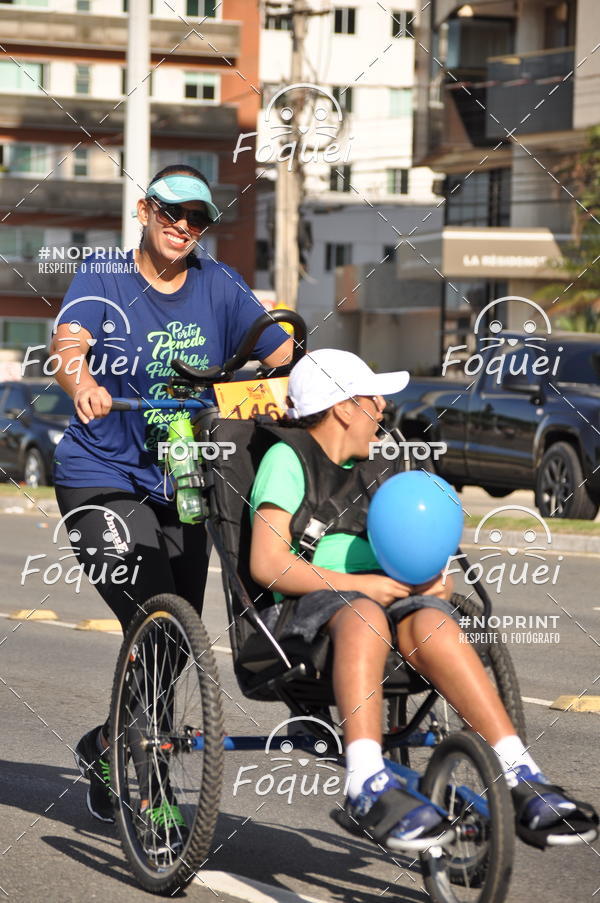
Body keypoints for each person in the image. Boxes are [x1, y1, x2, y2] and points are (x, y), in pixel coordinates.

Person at [249, 348, 598, 851]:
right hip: (307, 611)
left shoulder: (380, 465)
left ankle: (521, 773)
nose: (383, 409)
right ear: (343, 407)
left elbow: (410, 540)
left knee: (434, 621)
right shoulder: (287, 460)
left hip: (387, 598)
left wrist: (431, 579)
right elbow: (267, 564)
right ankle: (366, 781)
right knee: (365, 614)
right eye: (373, 399)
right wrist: (359, 586)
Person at [51, 163, 293, 829]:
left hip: (185, 479)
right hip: (101, 476)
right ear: (144, 210)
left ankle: (106, 746)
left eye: (198, 218)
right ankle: (153, 792)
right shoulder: (105, 274)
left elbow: (280, 352)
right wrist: (83, 383)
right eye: (171, 212)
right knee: (154, 615)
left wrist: (290, 378)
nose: (184, 226)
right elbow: (69, 342)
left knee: (176, 635)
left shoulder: (219, 283)